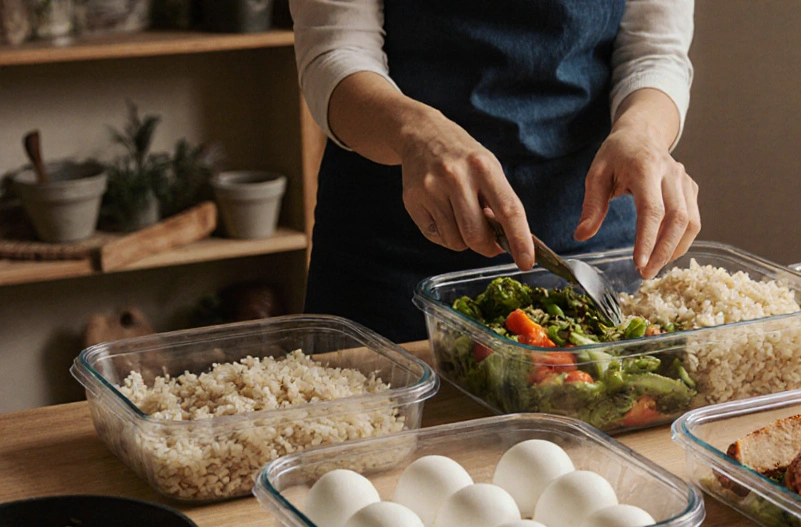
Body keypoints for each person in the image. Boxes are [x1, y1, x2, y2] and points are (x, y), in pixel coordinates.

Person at [292, 0, 700, 342]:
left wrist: (643, 132)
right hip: (390, 250)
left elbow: (654, 50)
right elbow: (334, 52)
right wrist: (416, 133)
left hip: (590, 244)